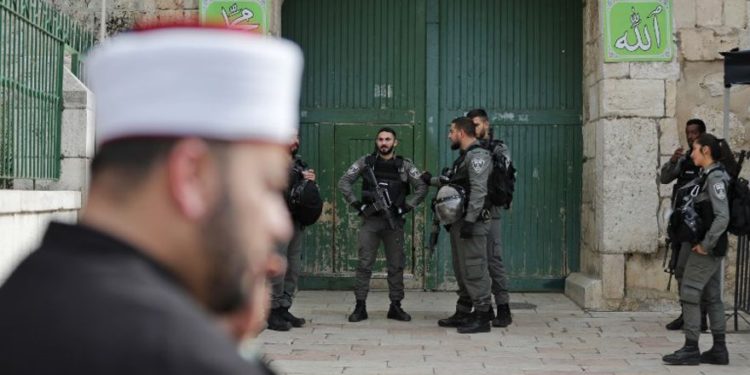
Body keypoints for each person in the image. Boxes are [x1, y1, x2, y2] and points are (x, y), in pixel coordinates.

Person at [0, 26, 303, 374]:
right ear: (192, 177)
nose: (279, 223)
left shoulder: (23, 298)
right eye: (268, 185)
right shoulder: (186, 359)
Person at [338, 127, 428, 322]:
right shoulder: (365, 162)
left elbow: (421, 187)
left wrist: (405, 207)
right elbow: (344, 182)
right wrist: (357, 204)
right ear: (376, 142)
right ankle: (360, 306)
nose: (384, 143)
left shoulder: (404, 166)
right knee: (364, 264)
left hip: (393, 222)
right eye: (380, 139)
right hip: (370, 221)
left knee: (396, 265)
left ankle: (395, 306)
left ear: (395, 143)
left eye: (388, 139)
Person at [662, 133, 732, 366]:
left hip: (707, 249)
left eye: (695, 149)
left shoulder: (715, 178)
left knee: (690, 292)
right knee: (712, 297)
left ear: (706, 151)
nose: (691, 154)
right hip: (709, 247)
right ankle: (719, 350)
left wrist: (706, 244)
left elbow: (722, 217)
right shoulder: (709, 175)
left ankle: (691, 348)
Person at [434, 117, 494, 334]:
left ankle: (482, 315)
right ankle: (463, 311)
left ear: (460, 132)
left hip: (473, 223)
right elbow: (455, 183)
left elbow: (479, 190)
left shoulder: (478, 155)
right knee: (462, 270)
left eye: (451, 131)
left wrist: (470, 220)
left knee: (474, 269)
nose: (449, 135)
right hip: (460, 222)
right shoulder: (463, 158)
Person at [659, 118, 708, 331]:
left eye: (694, 133)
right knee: (678, 269)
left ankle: (699, 317)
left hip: (697, 229)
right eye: (688, 133)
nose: (690, 137)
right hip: (680, 225)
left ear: (702, 134)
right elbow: (665, 178)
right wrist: (672, 162)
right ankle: (686, 313)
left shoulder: (708, 161)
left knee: (690, 271)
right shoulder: (686, 158)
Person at [466, 108, 512, 328]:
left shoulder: (498, 148)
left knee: (493, 260)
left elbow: (502, 177)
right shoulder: (469, 149)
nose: (472, 129)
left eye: (475, 124)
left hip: (490, 210)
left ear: (485, 124)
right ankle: (481, 307)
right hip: (472, 211)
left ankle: (504, 308)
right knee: (475, 261)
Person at [268, 133, 317, 331]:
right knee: (278, 266)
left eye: (296, 138)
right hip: (278, 220)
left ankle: (284, 306)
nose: (294, 141)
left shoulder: (300, 164)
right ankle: (272, 310)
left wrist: (310, 180)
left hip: (296, 220)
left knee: (293, 266)